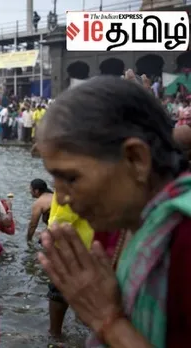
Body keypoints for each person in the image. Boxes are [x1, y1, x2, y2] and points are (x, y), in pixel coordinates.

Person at [36, 76, 191, 347]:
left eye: (71, 178)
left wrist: (108, 321)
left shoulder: (185, 239)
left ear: (136, 159)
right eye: (55, 181)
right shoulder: (115, 226)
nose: (60, 197)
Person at [27, 178, 53, 242]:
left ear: (36, 191)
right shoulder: (53, 195)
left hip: (57, 230)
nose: (29, 191)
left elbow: (33, 225)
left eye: (30, 189)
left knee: (41, 241)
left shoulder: (38, 203)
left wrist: (28, 240)